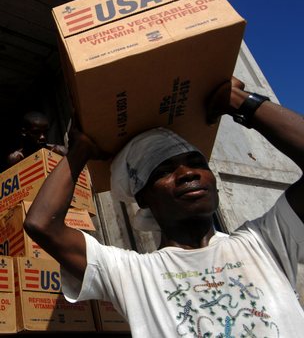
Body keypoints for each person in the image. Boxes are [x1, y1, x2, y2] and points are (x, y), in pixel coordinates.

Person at [24, 77, 304, 337]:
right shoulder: (131, 273)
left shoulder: (265, 243)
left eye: (196, 163)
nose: (187, 174)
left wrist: (242, 102)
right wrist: (80, 150)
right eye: (163, 171)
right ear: (143, 198)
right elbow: (42, 224)